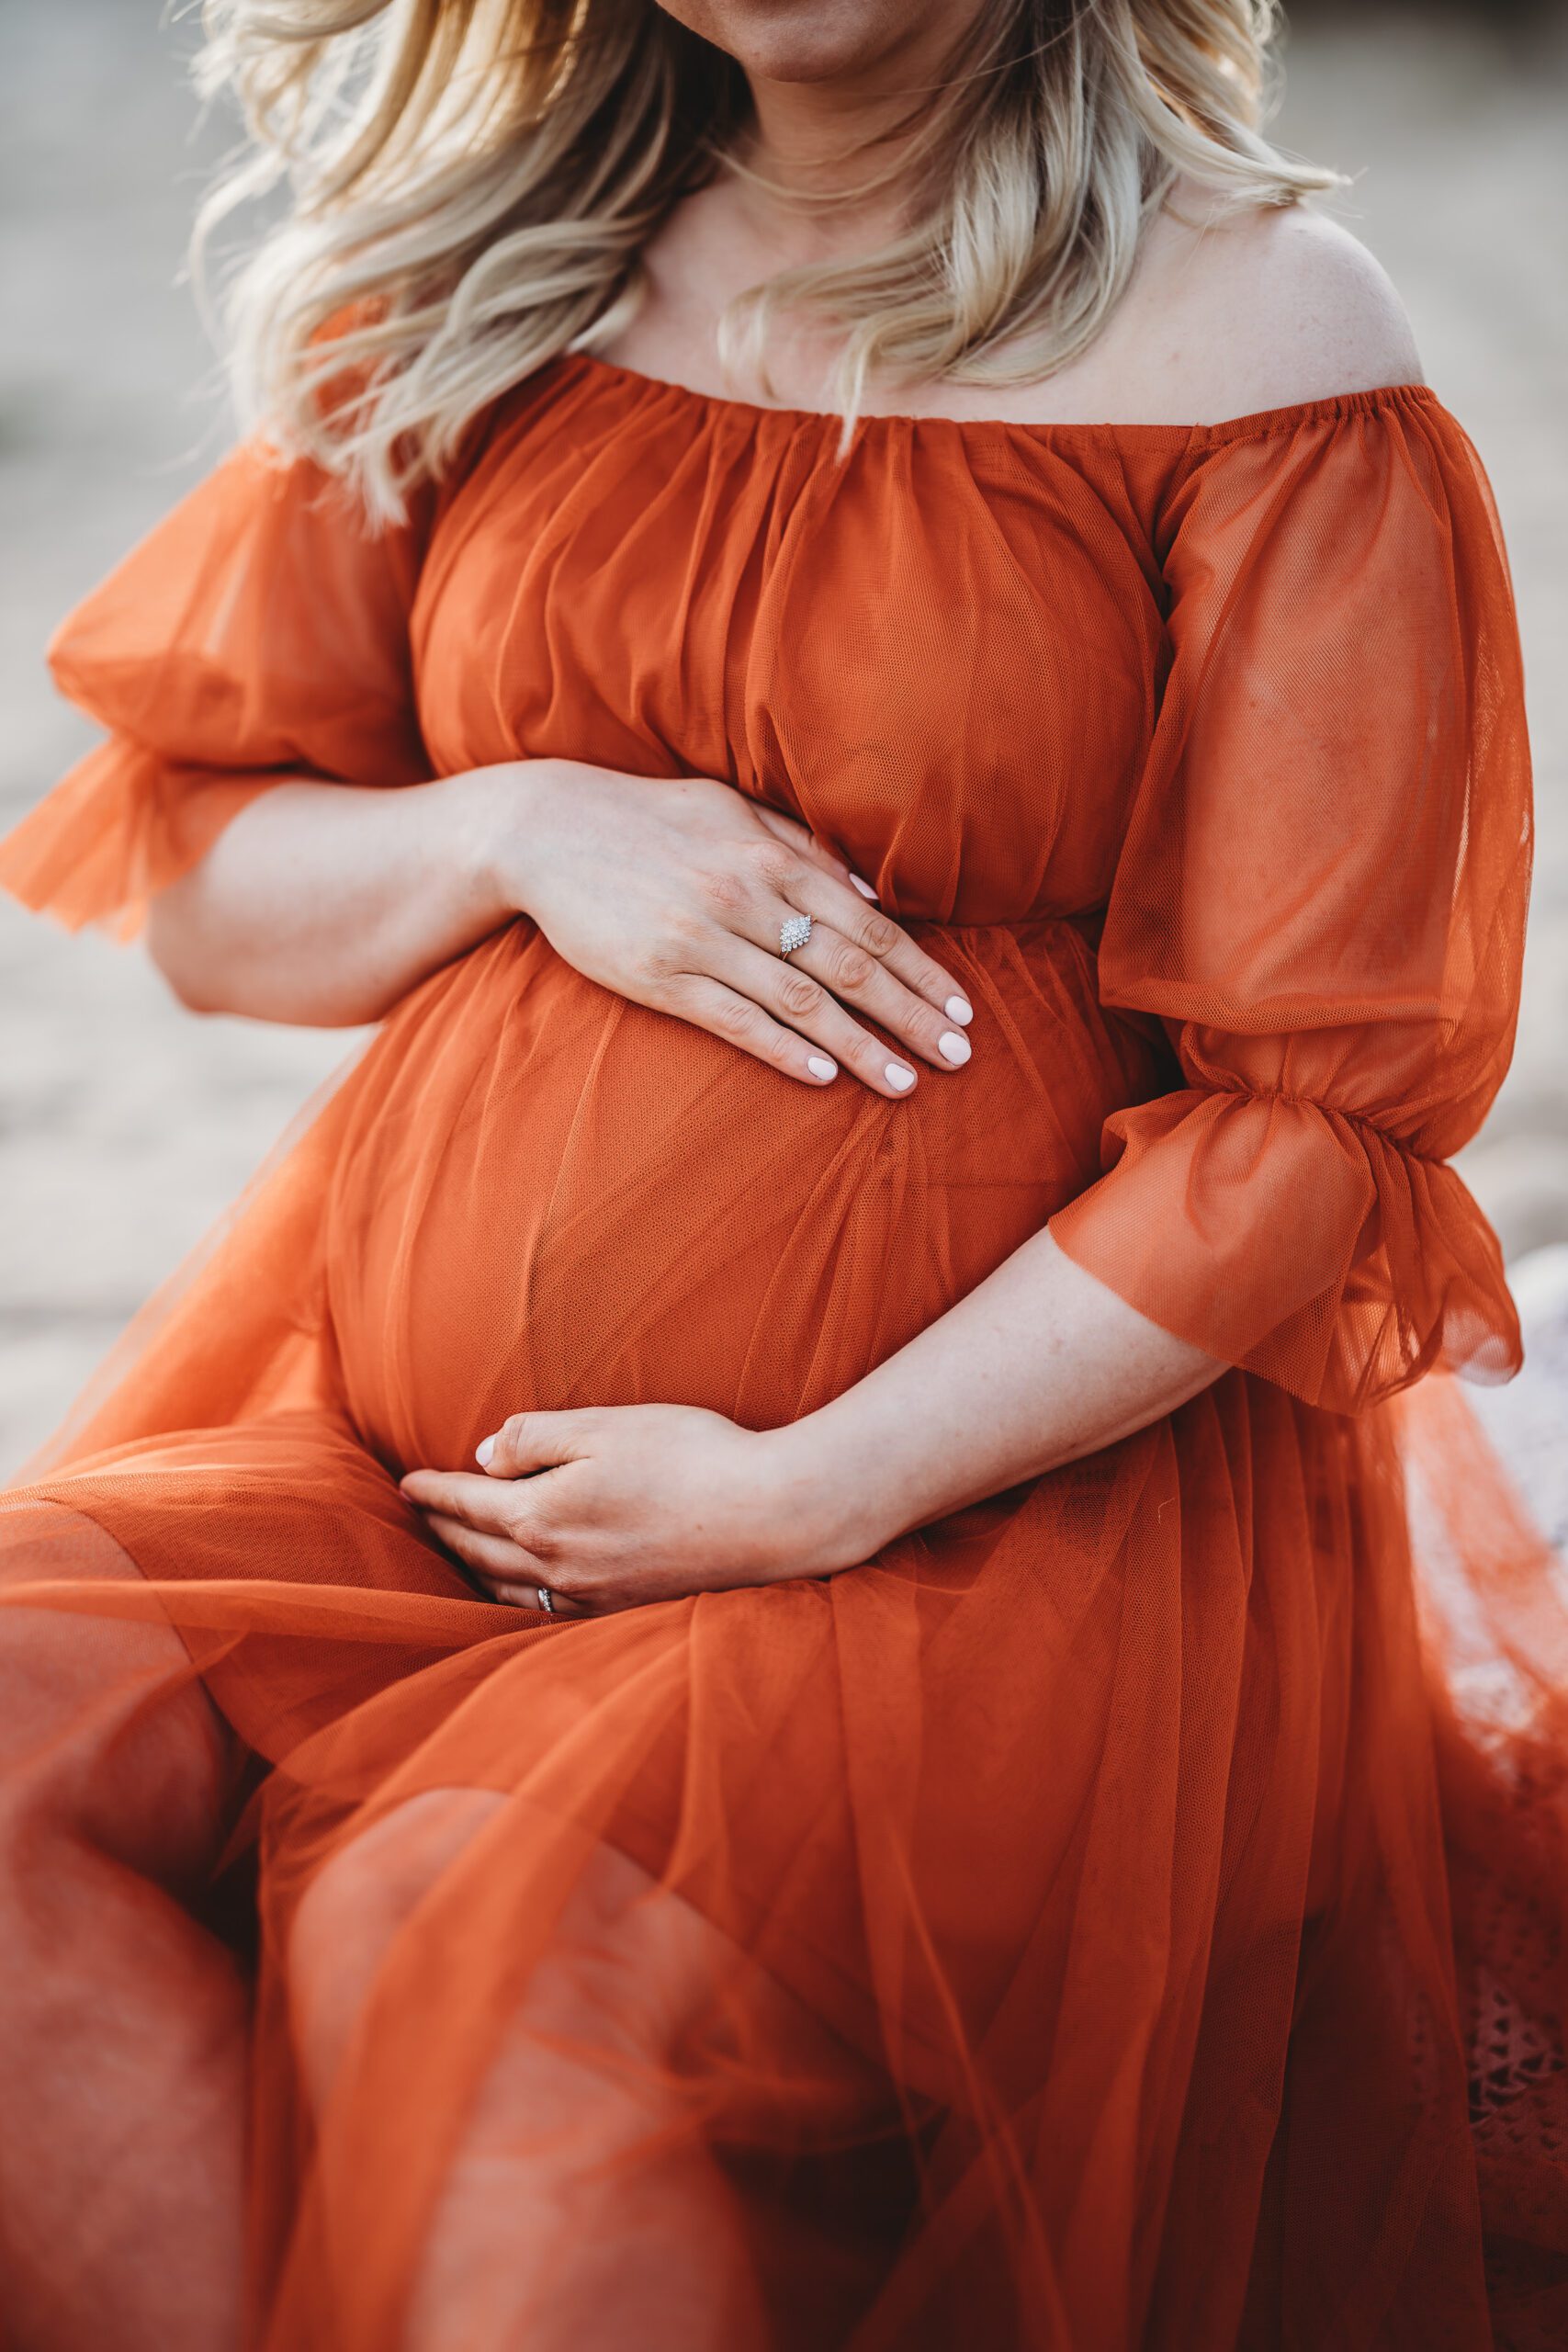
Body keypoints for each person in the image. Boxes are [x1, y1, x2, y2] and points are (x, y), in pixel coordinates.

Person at [0, 1, 1555, 2345]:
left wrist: (813, 1482)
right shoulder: (489, 273)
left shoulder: (1252, 332)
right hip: (409, 1478)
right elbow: (210, 887)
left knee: (470, 1926)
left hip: (991, 1535)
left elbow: (1310, 1120)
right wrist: (517, 826)